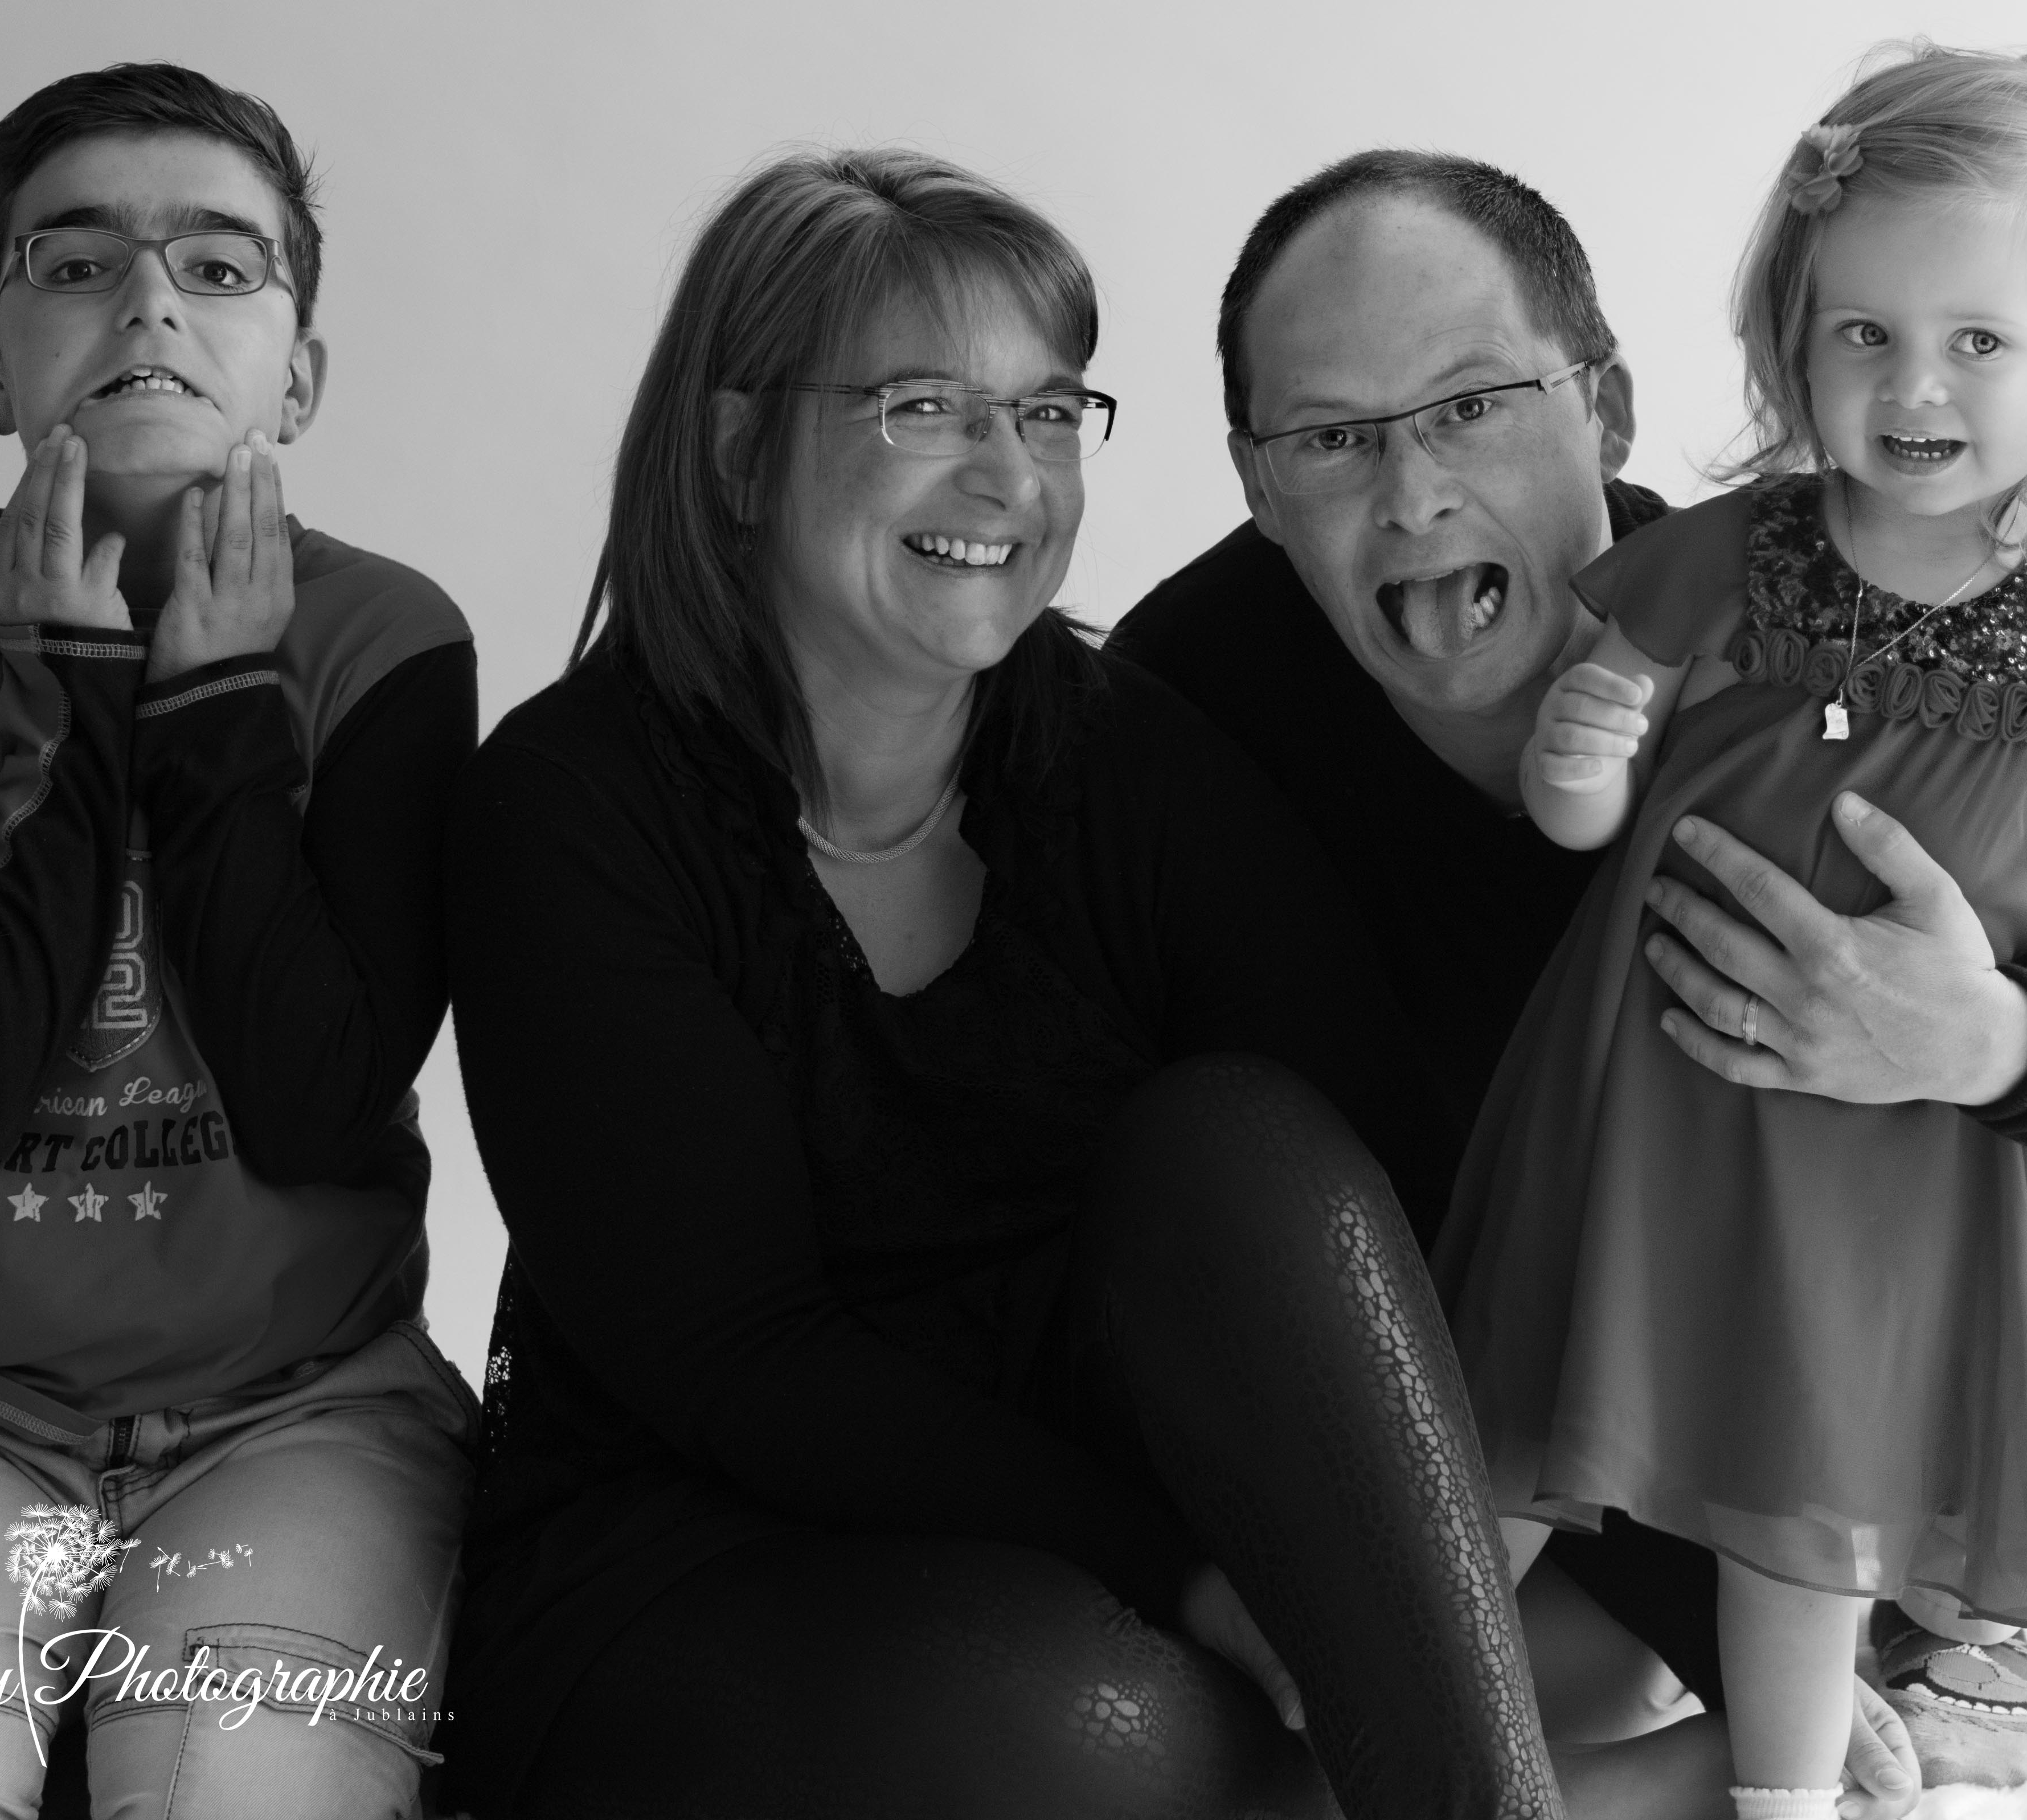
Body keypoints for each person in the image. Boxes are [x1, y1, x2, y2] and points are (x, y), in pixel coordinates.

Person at [1111, 140, 2027, 1814]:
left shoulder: (1821, 644)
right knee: (1246, 1720)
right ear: (1257, 482)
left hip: (1785, 1365)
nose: (1410, 491)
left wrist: (1980, 1032)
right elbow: (1124, 1191)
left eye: (1473, 403)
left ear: (1606, 411)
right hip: (1459, 1387)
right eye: (1333, 436)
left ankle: (1910, 1610)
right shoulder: (1188, 707)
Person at [439, 147, 1577, 1820]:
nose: (1005, 476)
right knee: (1095, 1734)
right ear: (743, 447)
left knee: (1239, 1136)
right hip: (705, 1538)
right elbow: (743, 1360)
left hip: (1096, 1482)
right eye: (924, 406)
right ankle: (1610, 1786)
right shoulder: (571, 808)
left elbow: (1348, 1199)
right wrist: (1188, 1579)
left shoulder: (1123, 755)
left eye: (1049, 414)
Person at [1449, 48, 2027, 1820]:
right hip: (1652, 1104)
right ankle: (1375, 1680)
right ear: (1793, 338)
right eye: (1862, 335)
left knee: (1813, 1502)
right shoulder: (1735, 555)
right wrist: (1575, 758)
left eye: (1977, 340)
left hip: (1882, 1165)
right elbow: (1583, 784)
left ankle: (1775, 1796)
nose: (1912, 383)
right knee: (1521, 1422)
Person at [0, 64, 478, 1819]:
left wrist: (220, 698)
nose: (149, 298)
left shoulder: (385, 638)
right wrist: (80, 691)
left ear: (296, 373)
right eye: (75, 264)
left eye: (219, 268)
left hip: (300, 1408)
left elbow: (315, 1102)